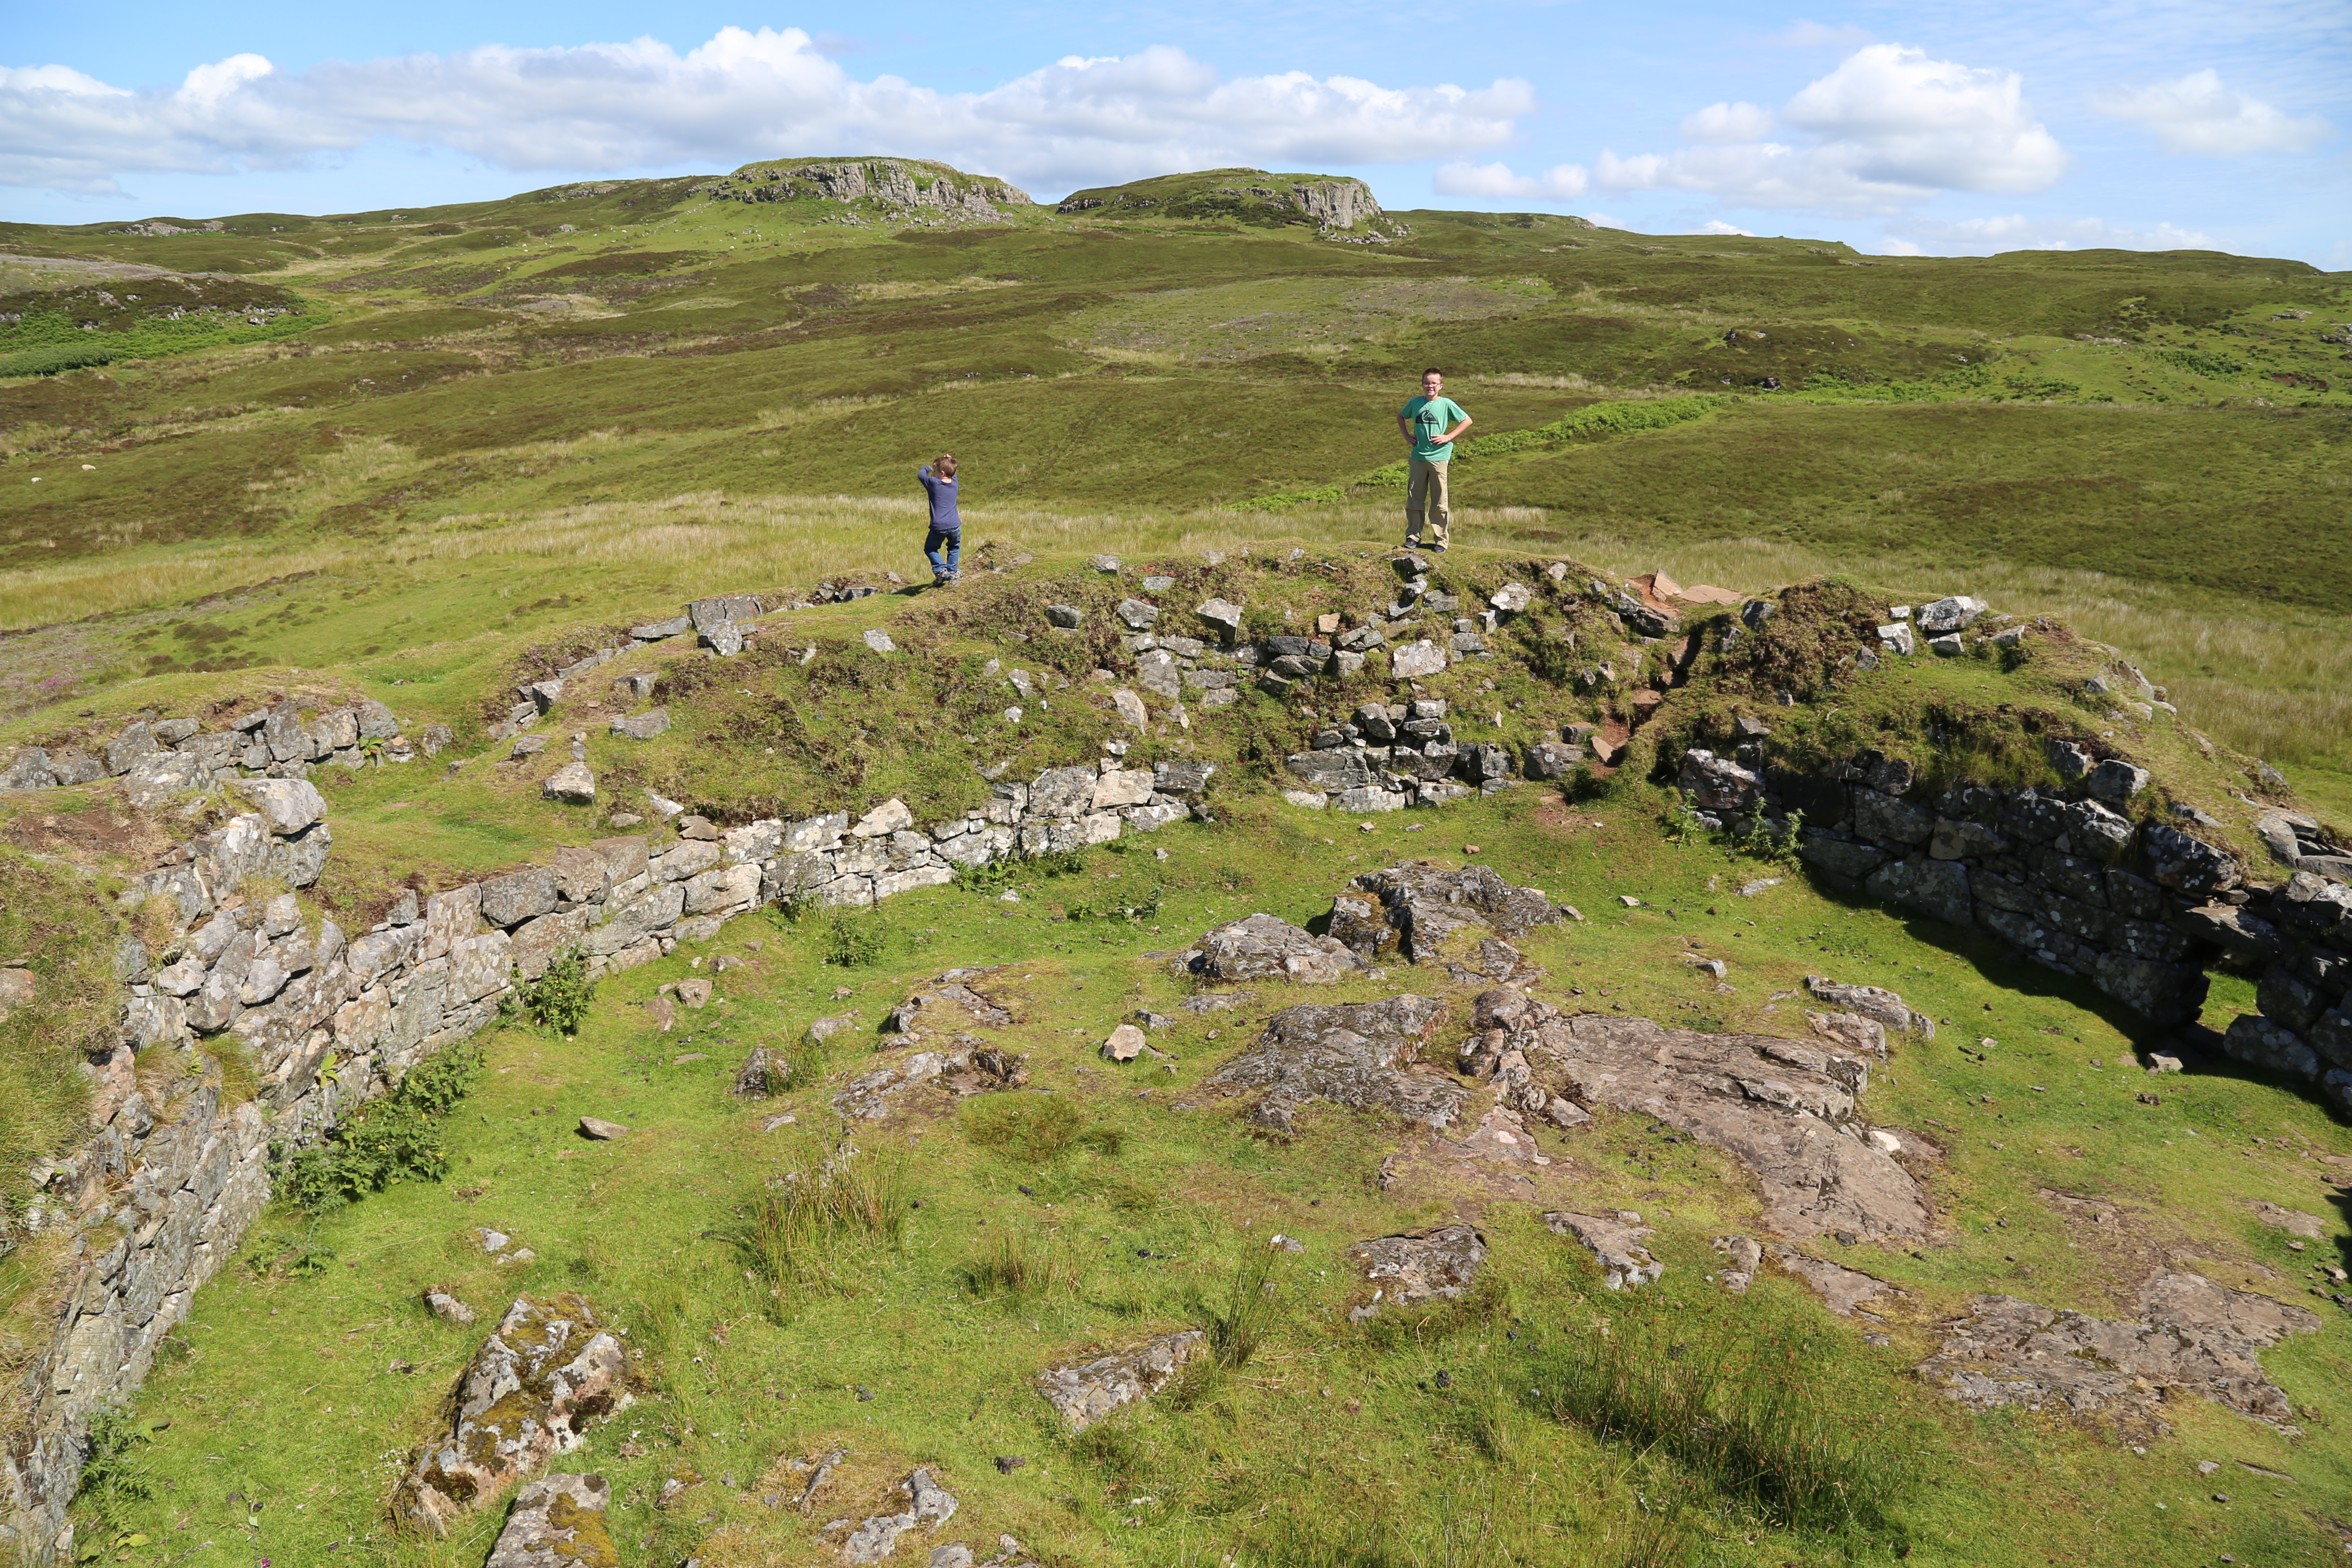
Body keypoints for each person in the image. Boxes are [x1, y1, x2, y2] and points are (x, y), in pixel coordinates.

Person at [1395, 368, 1471, 551]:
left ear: (1441, 386)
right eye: (1427, 383)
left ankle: (1441, 541)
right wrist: (1407, 436)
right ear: (1422, 384)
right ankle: (1413, 537)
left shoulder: (1447, 404)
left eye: (1434, 383)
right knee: (1415, 498)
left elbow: (1467, 420)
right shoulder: (1415, 403)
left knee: (1439, 501)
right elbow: (1401, 416)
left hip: (1439, 458)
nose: (1430, 386)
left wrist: (1448, 437)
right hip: (1418, 458)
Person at [917, 453, 960, 585]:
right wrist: (949, 460)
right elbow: (954, 473)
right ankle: (953, 570)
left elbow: (921, 475)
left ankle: (941, 570)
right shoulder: (954, 482)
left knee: (930, 548)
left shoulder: (934, 483)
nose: (933, 474)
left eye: (935, 472)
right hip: (955, 525)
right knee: (954, 547)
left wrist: (927, 468)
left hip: (939, 526)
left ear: (942, 473)